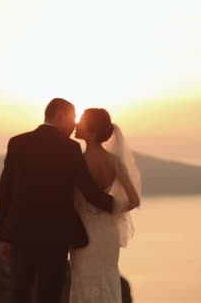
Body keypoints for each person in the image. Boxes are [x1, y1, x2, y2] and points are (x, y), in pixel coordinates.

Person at [0, 98, 115, 303]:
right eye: (72, 118)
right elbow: (89, 192)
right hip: (55, 238)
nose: (74, 125)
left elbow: (5, 192)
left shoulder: (17, 143)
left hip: (20, 234)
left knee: (19, 293)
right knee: (49, 295)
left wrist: (3, 236)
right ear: (60, 115)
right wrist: (118, 205)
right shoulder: (70, 148)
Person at [69, 108, 141, 303]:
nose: (76, 125)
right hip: (108, 231)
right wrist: (111, 210)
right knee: (107, 278)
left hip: (85, 230)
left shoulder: (79, 161)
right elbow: (134, 200)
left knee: (82, 280)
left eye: (81, 122)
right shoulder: (115, 161)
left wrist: (91, 210)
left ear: (91, 132)